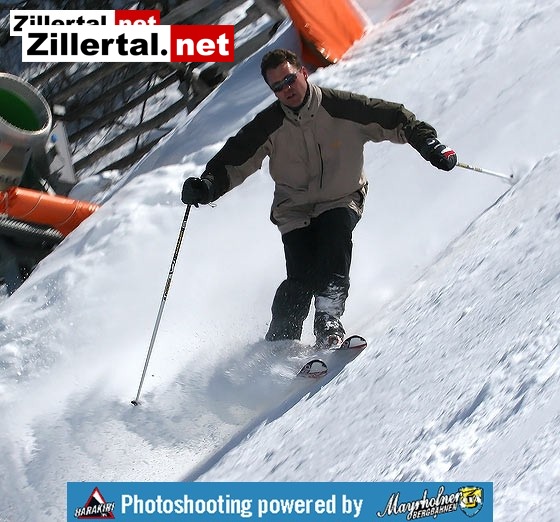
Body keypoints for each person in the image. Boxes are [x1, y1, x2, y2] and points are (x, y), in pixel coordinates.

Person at [181, 48, 457, 348]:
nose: (287, 89)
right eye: (278, 87)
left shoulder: (341, 107)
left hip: (341, 196)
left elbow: (395, 119)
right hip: (294, 211)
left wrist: (428, 144)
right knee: (301, 279)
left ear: (303, 73)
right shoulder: (268, 124)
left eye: (290, 80)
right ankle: (280, 342)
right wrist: (207, 186)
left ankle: (328, 319)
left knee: (335, 240)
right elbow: (235, 159)